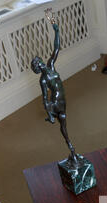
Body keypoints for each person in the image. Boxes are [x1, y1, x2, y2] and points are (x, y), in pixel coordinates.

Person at [31, 22, 76, 160]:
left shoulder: (51, 65)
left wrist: (57, 32)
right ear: (38, 69)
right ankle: (70, 145)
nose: (41, 62)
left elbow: (56, 49)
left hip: (63, 100)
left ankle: (71, 147)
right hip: (56, 103)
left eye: (39, 60)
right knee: (63, 124)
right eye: (38, 63)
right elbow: (45, 99)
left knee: (64, 124)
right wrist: (49, 113)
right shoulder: (43, 80)